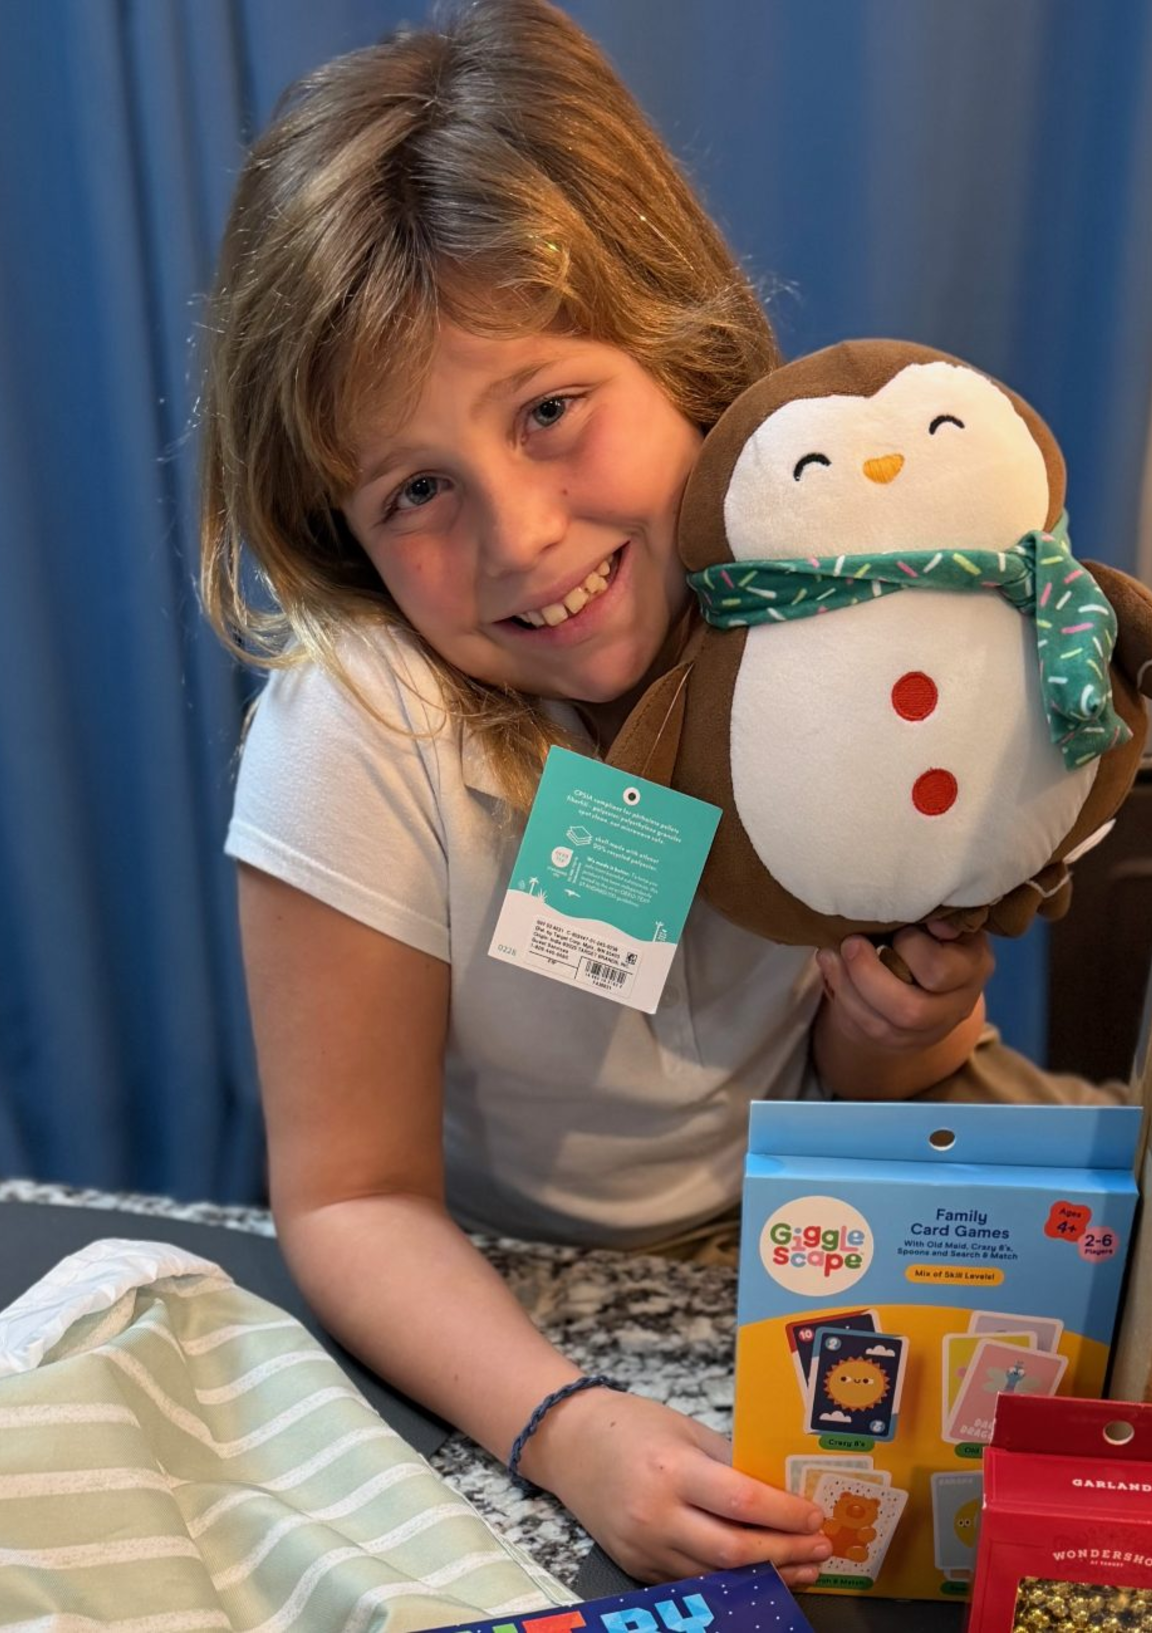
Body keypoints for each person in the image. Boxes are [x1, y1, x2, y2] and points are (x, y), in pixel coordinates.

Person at [199, 0, 1020, 1588]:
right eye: (415, 490)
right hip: (495, 1301)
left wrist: (894, 1033)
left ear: (683, 350)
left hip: (798, 1239)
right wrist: (567, 1430)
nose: (518, 539)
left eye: (547, 412)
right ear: (341, 531)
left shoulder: (856, 625)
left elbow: (848, 1083)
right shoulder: (358, 725)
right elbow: (353, 1196)